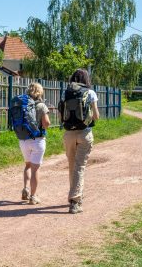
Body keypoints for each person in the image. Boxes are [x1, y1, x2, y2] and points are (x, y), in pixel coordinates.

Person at [62, 69, 99, 214]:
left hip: (69, 134)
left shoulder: (66, 92)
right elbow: (96, 116)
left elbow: (62, 113)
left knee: (72, 165)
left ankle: (74, 194)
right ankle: (75, 201)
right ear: (86, 79)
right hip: (84, 133)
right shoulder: (90, 92)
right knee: (80, 166)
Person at [20, 83, 51, 205]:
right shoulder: (41, 105)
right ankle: (33, 197)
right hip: (37, 140)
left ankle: (25, 189)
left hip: (23, 140)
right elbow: (46, 123)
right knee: (35, 169)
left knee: (27, 165)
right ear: (40, 92)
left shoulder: (23, 105)